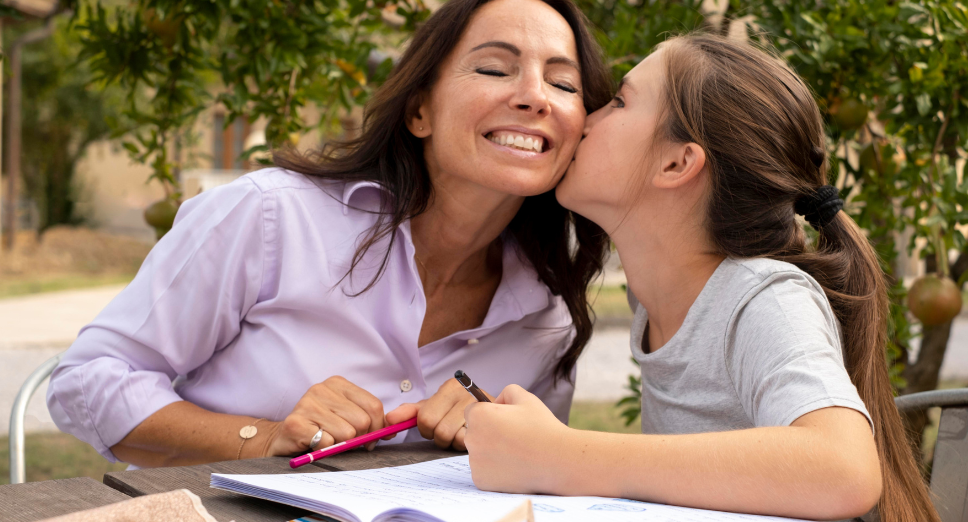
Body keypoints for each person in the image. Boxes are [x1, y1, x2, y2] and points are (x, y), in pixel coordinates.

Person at [46, 0, 612, 468]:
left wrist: (497, 435)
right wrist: (264, 438)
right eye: (494, 68)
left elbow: (533, 486)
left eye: (563, 83)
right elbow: (86, 381)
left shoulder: (547, 317)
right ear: (420, 112)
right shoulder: (269, 217)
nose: (536, 96)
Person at [463, 34, 939, 522]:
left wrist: (562, 457)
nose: (588, 115)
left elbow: (845, 471)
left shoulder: (761, 298)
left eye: (621, 101)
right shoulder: (658, 298)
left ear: (677, 162)